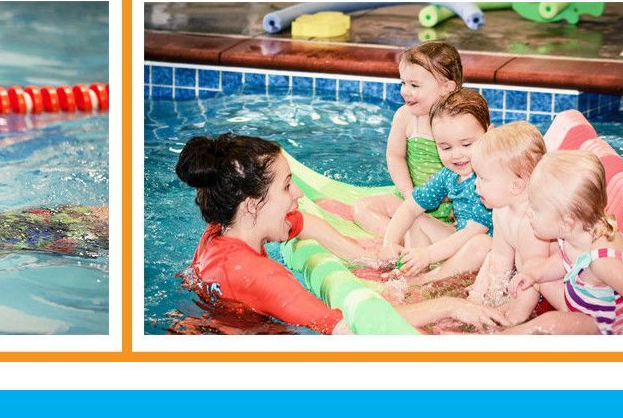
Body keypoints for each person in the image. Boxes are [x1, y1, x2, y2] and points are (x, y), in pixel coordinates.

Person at [173, 132, 496, 335]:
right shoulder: (263, 277)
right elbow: (357, 327)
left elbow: (303, 222)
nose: (298, 193)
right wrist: (449, 306)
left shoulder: (220, 231)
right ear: (253, 205)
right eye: (287, 186)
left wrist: (365, 257)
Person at [504, 150, 623, 335]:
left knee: (550, 323)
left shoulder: (604, 262)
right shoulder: (577, 232)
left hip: (607, 329)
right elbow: (564, 258)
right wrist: (534, 274)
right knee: (539, 279)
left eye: (536, 208)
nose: (529, 213)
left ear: (566, 222)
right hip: (586, 307)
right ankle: (513, 317)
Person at [351, 42, 464, 234]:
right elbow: (395, 156)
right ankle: (404, 238)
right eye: (403, 83)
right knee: (361, 208)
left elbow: (478, 164)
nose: (405, 91)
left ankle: (420, 236)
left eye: (414, 85)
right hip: (409, 201)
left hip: (452, 210)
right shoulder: (405, 117)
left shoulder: (464, 122)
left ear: (447, 88)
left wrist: (459, 197)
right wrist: (408, 194)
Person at [381, 89, 494, 281]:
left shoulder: (491, 175)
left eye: (466, 145)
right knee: (417, 219)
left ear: (489, 134)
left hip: (489, 257)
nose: (456, 155)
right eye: (446, 147)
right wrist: (389, 243)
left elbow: (472, 232)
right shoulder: (449, 175)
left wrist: (429, 255)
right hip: (460, 245)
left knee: (481, 244)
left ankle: (425, 280)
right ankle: (412, 270)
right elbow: (410, 207)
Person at [463, 121, 560, 326]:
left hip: (553, 288)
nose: (475, 183)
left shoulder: (532, 222)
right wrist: (482, 299)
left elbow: (533, 281)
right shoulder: (502, 208)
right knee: (491, 257)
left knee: (529, 272)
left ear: (516, 186)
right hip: (528, 279)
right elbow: (499, 258)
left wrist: (509, 319)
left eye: (483, 178)